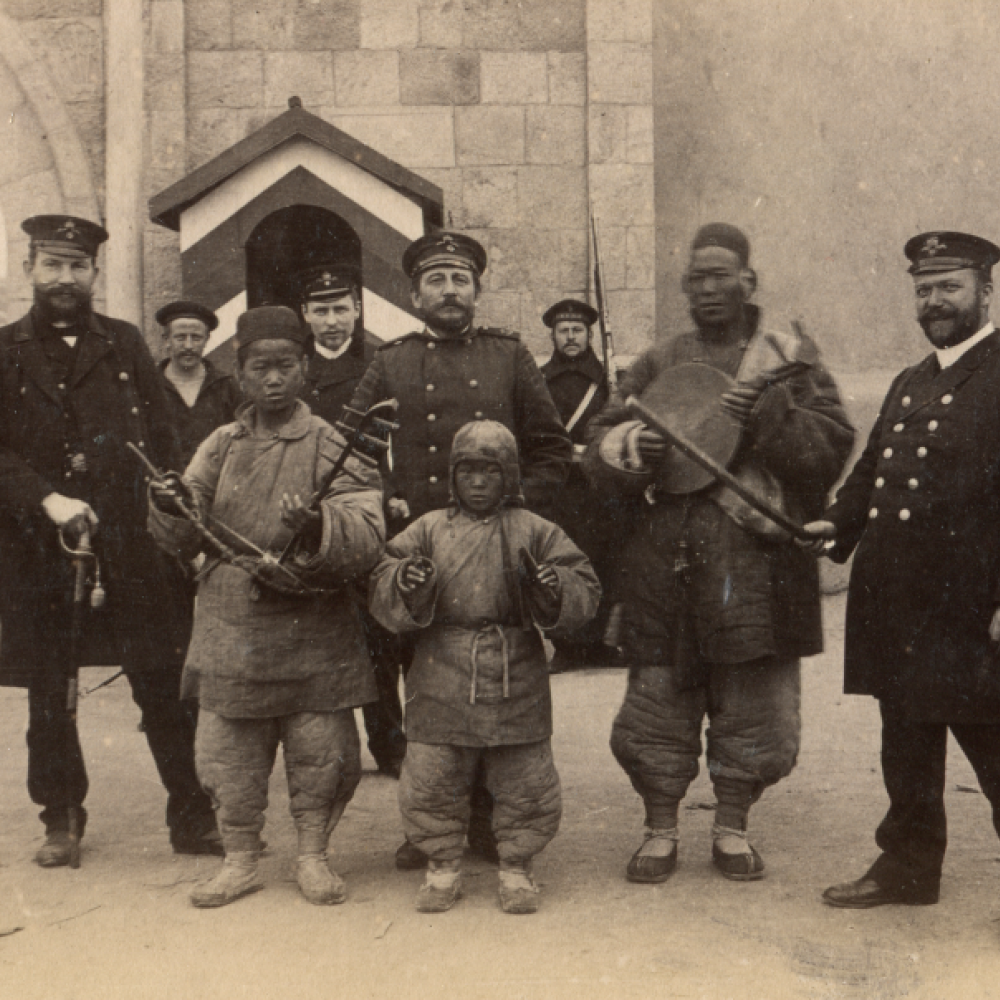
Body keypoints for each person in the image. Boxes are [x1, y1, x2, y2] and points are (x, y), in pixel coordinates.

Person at [585, 223, 853, 884]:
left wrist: (770, 413)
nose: (707, 289)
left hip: (756, 568)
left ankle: (732, 826)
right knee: (658, 701)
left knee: (754, 701)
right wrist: (629, 449)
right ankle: (659, 828)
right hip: (666, 567)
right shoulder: (657, 361)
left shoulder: (789, 358)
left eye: (720, 275)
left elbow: (828, 449)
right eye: (695, 278)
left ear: (748, 281)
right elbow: (599, 443)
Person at [349, 231, 573, 870]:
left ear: (476, 290)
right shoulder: (389, 362)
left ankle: (487, 821)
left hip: (494, 548)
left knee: (489, 683)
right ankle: (433, 822)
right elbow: (351, 452)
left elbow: (553, 451)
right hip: (417, 547)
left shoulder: (508, 356)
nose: (450, 291)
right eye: (437, 281)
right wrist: (382, 498)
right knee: (425, 693)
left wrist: (516, 518)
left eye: (461, 280)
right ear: (414, 292)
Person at [0, 215, 219, 866]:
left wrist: (178, 515)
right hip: (39, 544)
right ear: (29, 269)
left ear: (94, 273)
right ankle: (61, 815)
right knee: (51, 689)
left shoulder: (124, 345)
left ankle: (191, 812)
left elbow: (163, 439)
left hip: (130, 540)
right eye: (52, 265)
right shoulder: (4, 350)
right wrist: (46, 497)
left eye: (77, 266)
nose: (64, 278)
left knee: (161, 678)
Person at [148, 305, 385, 908]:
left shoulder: (333, 443)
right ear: (240, 372)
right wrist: (171, 505)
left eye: (285, 365)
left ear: (305, 369)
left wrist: (317, 528)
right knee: (228, 756)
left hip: (315, 627)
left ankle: (313, 855)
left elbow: (366, 528)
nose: (273, 378)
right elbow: (185, 531)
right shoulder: (220, 444)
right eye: (260, 367)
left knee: (321, 752)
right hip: (233, 625)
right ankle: (240, 858)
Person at [800, 231, 1000, 910]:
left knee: (994, 746)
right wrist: (840, 523)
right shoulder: (911, 379)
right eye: (924, 289)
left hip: (973, 608)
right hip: (897, 600)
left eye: (950, 286)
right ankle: (910, 866)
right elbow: (873, 471)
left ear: (986, 289)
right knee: (906, 742)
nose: (935, 301)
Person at [370, 420, 599, 914]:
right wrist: (407, 581)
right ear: (453, 477)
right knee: (433, 774)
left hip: (515, 666)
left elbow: (584, 579)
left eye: (490, 472)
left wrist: (553, 586)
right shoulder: (429, 528)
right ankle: (442, 863)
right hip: (440, 665)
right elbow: (384, 571)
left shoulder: (535, 529)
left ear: (509, 476)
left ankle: (516, 866)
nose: (477, 482)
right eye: (467, 471)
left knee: (524, 778)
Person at [297, 263, 406, 780]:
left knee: (377, 634)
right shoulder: (295, 376)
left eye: (341, 309)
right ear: (306, 316)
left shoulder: (377, 369)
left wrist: (393, 496)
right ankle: (328, 754)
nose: (332, 320)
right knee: (318, 639)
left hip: (366, 517)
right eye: (321, 310)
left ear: (358, 310)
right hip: (310, 520)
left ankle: (390, 742)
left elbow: (395, 449)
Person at [539, 298, 624, 671]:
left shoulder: (610, 381)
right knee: (561, 562)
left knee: (606, 560)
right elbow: (535, 431)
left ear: (589, 334)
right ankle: (567, 645)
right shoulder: (539, 380)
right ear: (553, 336)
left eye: (577, 330)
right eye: (563, 331)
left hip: (601, 488)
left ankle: (602, 643)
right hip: (561, 488)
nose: (570, 337)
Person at [156, 300, 241, 468]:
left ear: (206, 340)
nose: (188, 346)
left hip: (214, 485)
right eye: (180, 337)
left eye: (196, 338)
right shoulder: (149, 386)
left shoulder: (226, 386)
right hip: (165, 486)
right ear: (166, 340)